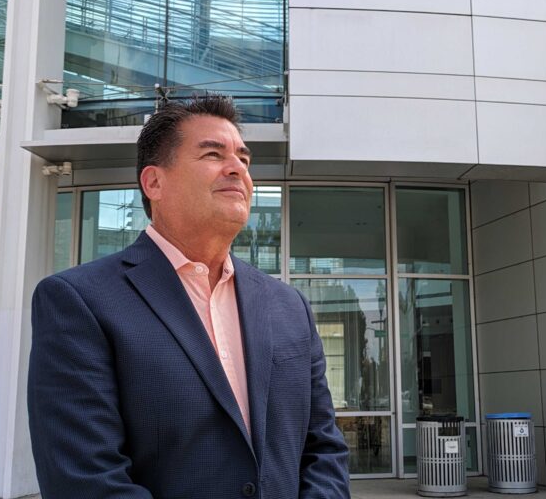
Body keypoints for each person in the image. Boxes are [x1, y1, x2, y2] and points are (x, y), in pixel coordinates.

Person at [27, 96, 350, 498]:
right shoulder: (79, 301)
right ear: (154, 183)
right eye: (213, 154)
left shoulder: (289, 306)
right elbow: (85, 478)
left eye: (244, 160)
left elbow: (324, 448)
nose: (238, 169)